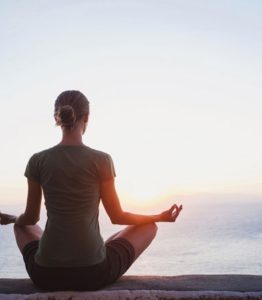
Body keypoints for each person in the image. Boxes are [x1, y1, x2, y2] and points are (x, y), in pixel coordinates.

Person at [0, 90, 182, 291]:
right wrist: (159, 216)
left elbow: (31, 218)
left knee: (20, 225)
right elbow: (117, 216)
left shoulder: (38, 160)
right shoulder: (101, 160)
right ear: (86, 117)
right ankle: (94, 250)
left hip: (46, 274)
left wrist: (12, 219)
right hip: (93, 273)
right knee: (149, 226)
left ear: (56, 118)